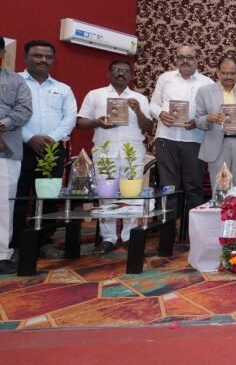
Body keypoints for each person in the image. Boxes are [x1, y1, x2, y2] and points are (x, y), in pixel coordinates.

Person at [77, 60, 153, 254]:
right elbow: (80, 122)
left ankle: (129, 236)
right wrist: (97, 122)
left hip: (132, 153)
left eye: (126, 71)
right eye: (117, 70)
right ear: (108, 73)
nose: (121, 73)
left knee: (132, 195)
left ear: (131, 76)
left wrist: (138, 110)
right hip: (105, 151)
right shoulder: (95, 95)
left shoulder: (139, 98)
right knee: (106, 196)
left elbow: (148, 127)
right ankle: (108, 238)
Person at [12, 40, 77, 261]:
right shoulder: (14, 83)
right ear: (25, 57)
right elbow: (7, 114)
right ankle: (16, 244)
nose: (43, 60)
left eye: (48, 57)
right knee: (19, 196)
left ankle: (44, 242)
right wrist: (29, 138)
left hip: (52, 150)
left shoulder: (63, 89)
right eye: (37, 55)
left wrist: (51, 139)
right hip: (19, 147)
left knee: (49, 197)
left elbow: (69, 118)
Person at [149, 45, 212, 214]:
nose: (185, 61)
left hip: (194, 139)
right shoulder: (165, 78)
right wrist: (161, 114)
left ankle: (193, 227)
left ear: (197, 60)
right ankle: (169, 226)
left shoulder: (207, 83)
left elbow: (212, 112)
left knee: (194, 187)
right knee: (168, 187)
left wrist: (197, 122)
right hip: (166, 138)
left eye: (190, 57)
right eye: (181, 57)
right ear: (176, 60)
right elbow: (153, 104)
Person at [195, 56, 236, 194]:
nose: (229, 76)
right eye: (225, 73)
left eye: (232, 73)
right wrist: (209, 118)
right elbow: (197, 120)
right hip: (216, 146)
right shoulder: (204, 91)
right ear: (218, 73)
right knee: (220, 192)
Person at [0, 37, 33, 274]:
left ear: (2, 52)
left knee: (3, 204)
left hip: (6, 151)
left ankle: (2, 254)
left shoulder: (16, 81)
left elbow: (24, 110)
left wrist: (2, 125)